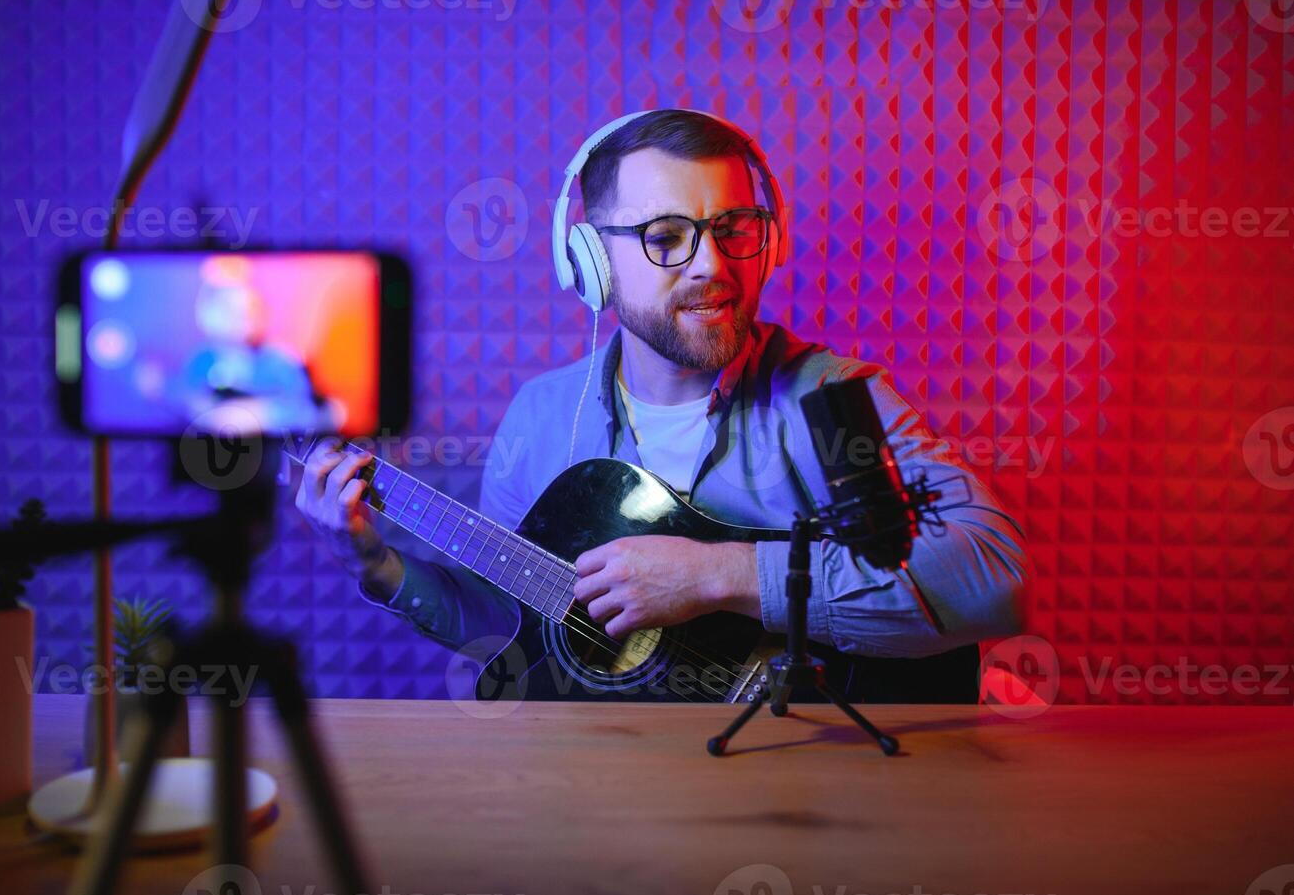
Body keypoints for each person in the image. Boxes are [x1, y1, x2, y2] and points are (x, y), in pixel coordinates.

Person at [296, 109, 1030, 703]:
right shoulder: (543, 417)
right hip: (618, 792)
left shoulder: (831, 399)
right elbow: (516, 623)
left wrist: (716, 577)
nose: (711, 266)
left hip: (813, 785)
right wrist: (377, 564)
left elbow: (993, 580)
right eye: (665, 238)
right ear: (589, 261)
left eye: (733, 230)